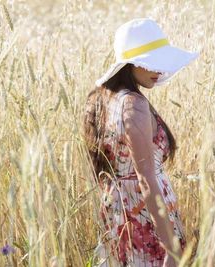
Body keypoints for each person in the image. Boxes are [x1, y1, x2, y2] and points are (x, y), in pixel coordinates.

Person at [83, 18, 198, 267]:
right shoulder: (134, 104)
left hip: (117, 214)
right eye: (152, 63)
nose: (159, 70)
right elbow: (145, 178)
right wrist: (170, 246)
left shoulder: (98, 101)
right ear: (131, 64)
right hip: (146, 219)